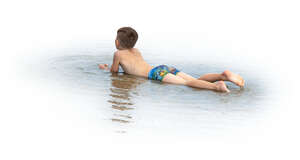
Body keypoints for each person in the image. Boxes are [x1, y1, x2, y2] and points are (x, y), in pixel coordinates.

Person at [99, 27, 244, 92]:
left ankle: (216, 86)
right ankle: (222, 76)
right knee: (195, 79)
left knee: (188, 84)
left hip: (155, 74)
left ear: (117, 42)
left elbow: (114, 72)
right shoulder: (136, 50)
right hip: (163, 68)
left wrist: (105, 68)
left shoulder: (118, 54)